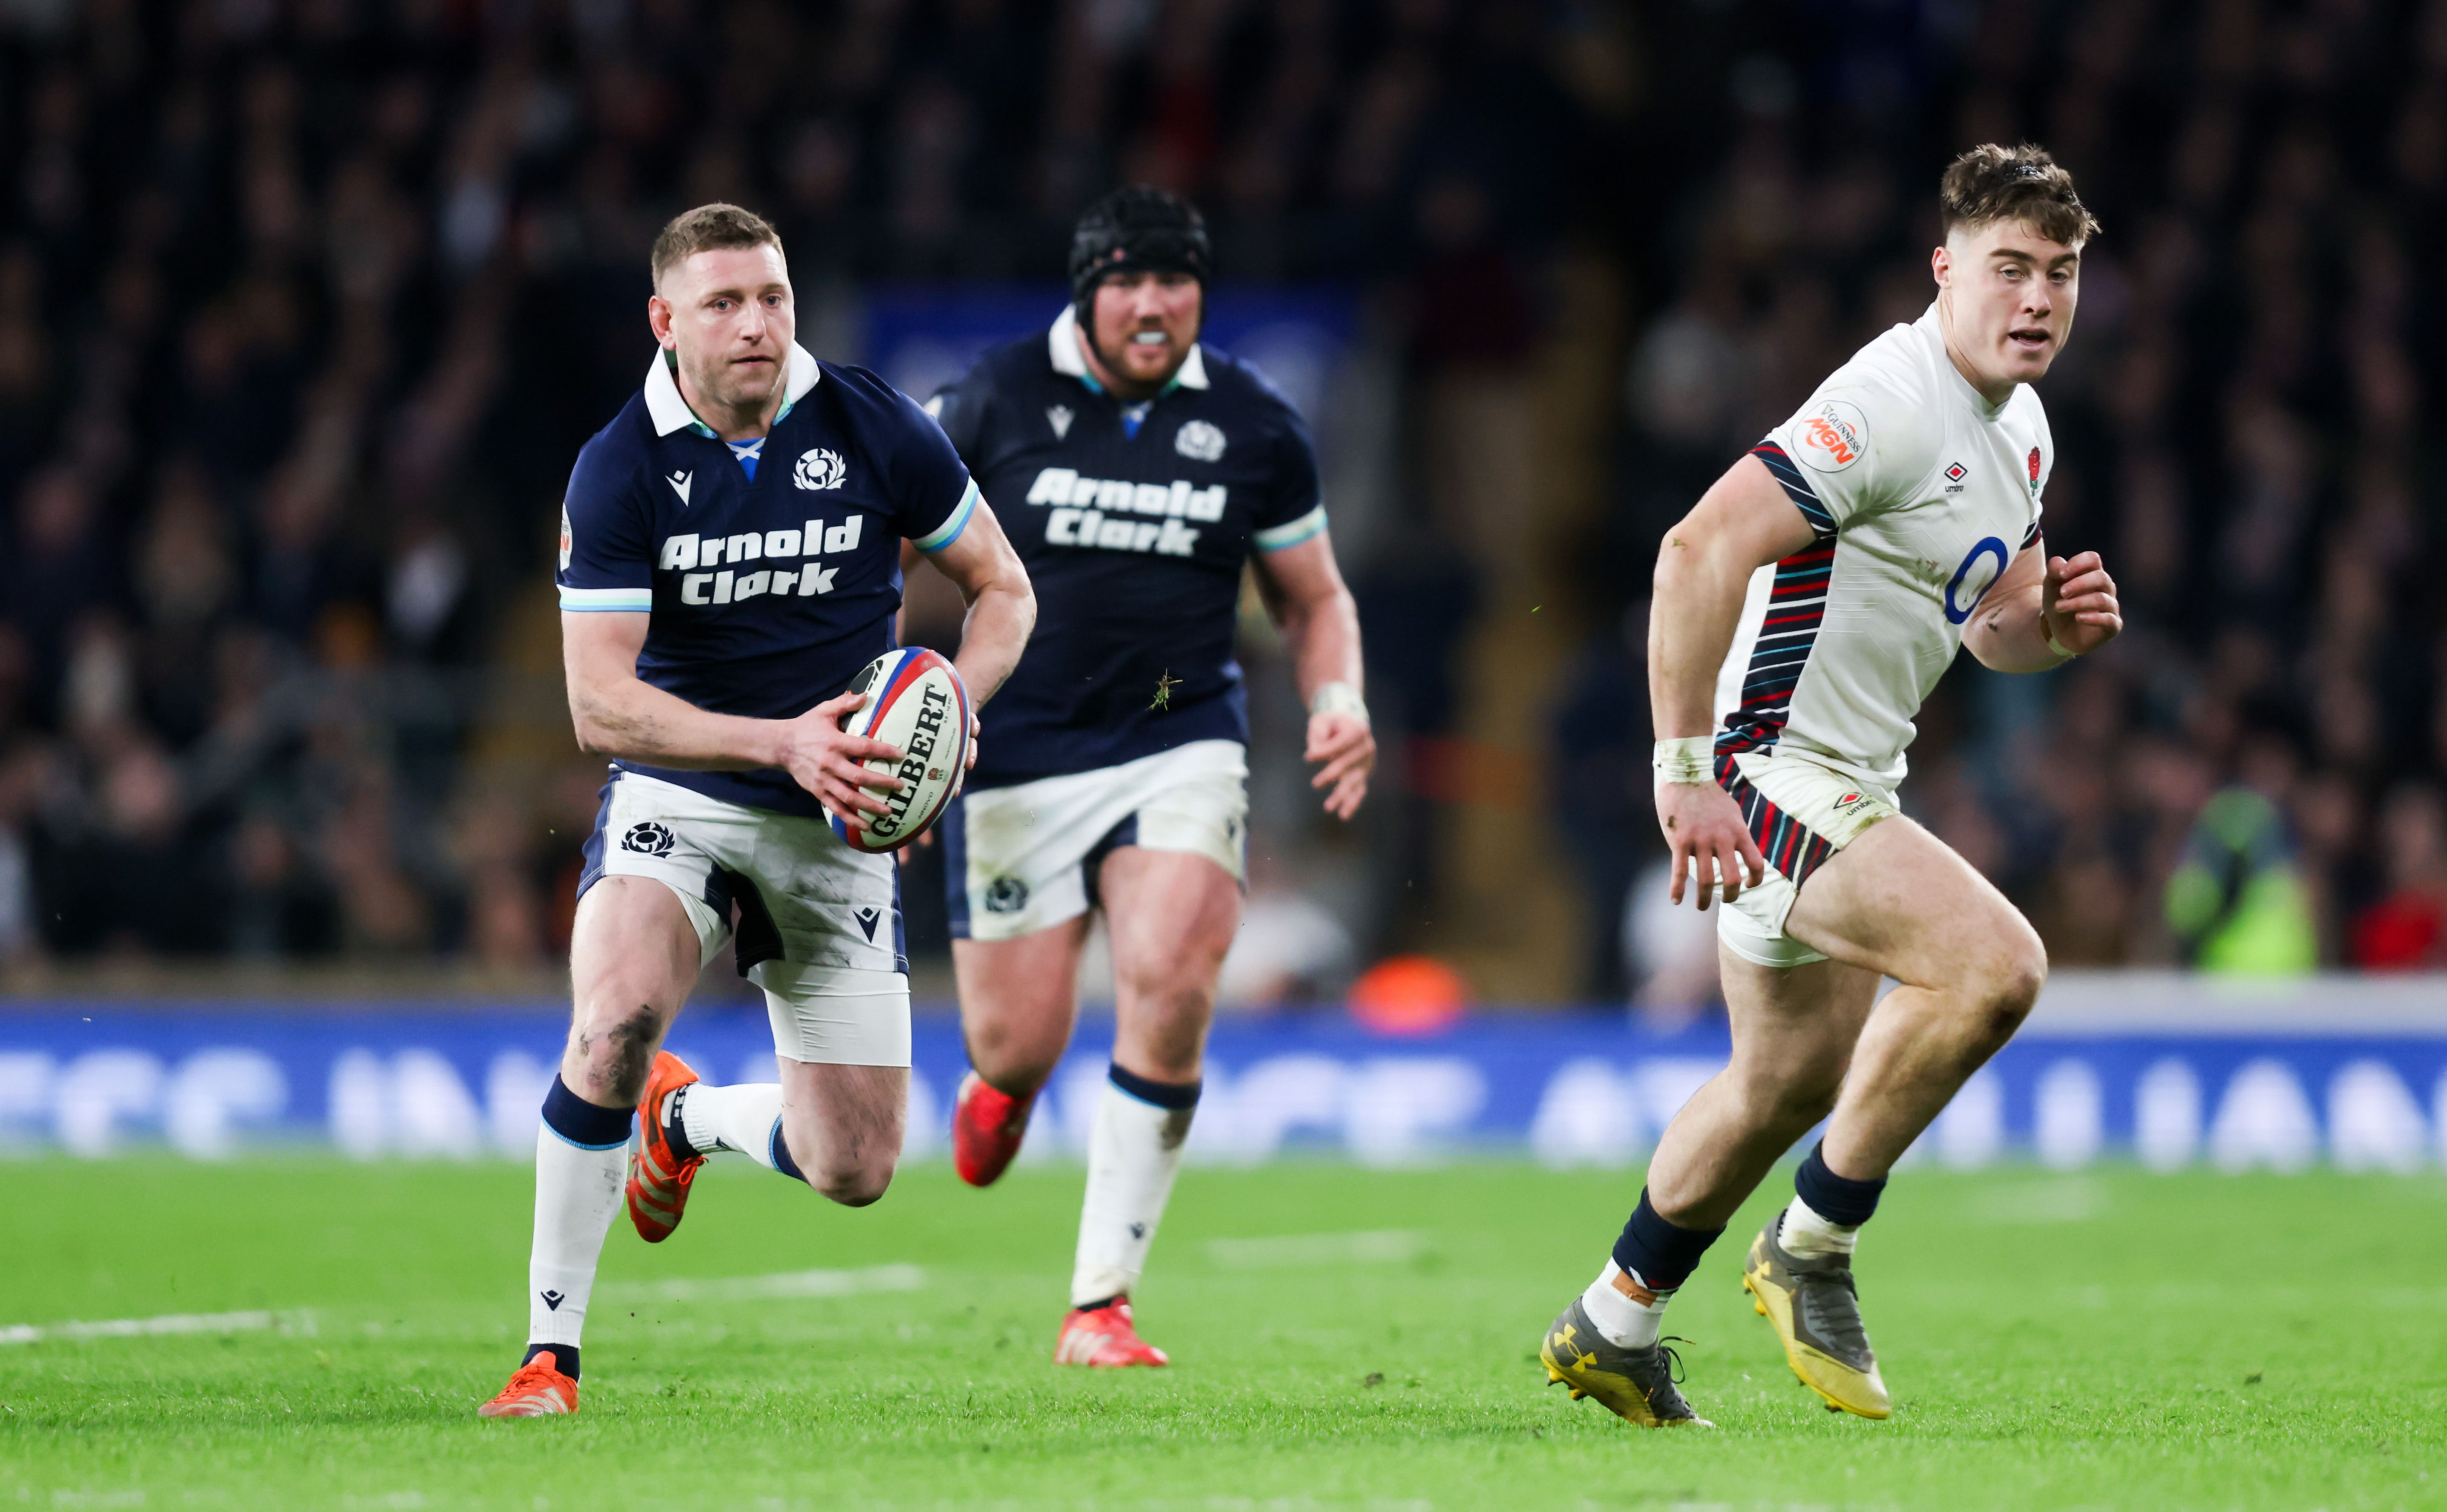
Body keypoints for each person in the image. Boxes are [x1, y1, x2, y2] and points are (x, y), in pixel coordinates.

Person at [1539, 145, 2122, 1427]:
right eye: (2009, 269)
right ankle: (1813, 1244)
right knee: (1994, 966)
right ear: (1945, 269)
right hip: (1767, 773)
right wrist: (1684, 773)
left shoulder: (2020, 426)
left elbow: (1989, 623)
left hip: (1837, 780)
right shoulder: (1889, 400)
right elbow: (1694, 550)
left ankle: (1613, 1320)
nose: (2036, 300)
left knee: (1784, 1081)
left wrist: (2054, 629)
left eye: (2061, 274)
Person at [478, 204, 1034, 1418]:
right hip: (688, 794)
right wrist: (781, 743)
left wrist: (945, 718)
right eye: (725, 303)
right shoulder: (619, 466)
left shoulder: (873, 422)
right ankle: (548, 1357)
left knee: (856, 1168)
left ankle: (687, 1125)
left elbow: (1002, 588)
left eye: (773, 298)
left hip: (837, 821)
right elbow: (599, 706)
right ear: (665, 322)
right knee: (616, 1016)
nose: (757, 324)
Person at [921, 186, 1374, 1366]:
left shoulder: (1254, 420)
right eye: (1128, 279)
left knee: (1171, 975)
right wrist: (897, 713)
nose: (1154, 302)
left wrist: (1338, 700)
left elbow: (1313, 596)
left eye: (1176, 279)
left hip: (1180, 727)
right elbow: (884, 545)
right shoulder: (992, 397)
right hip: (1015, 745)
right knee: (1016, 1042)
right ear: (1089, 292)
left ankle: (1100, 1306)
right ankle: (1005, 1085)